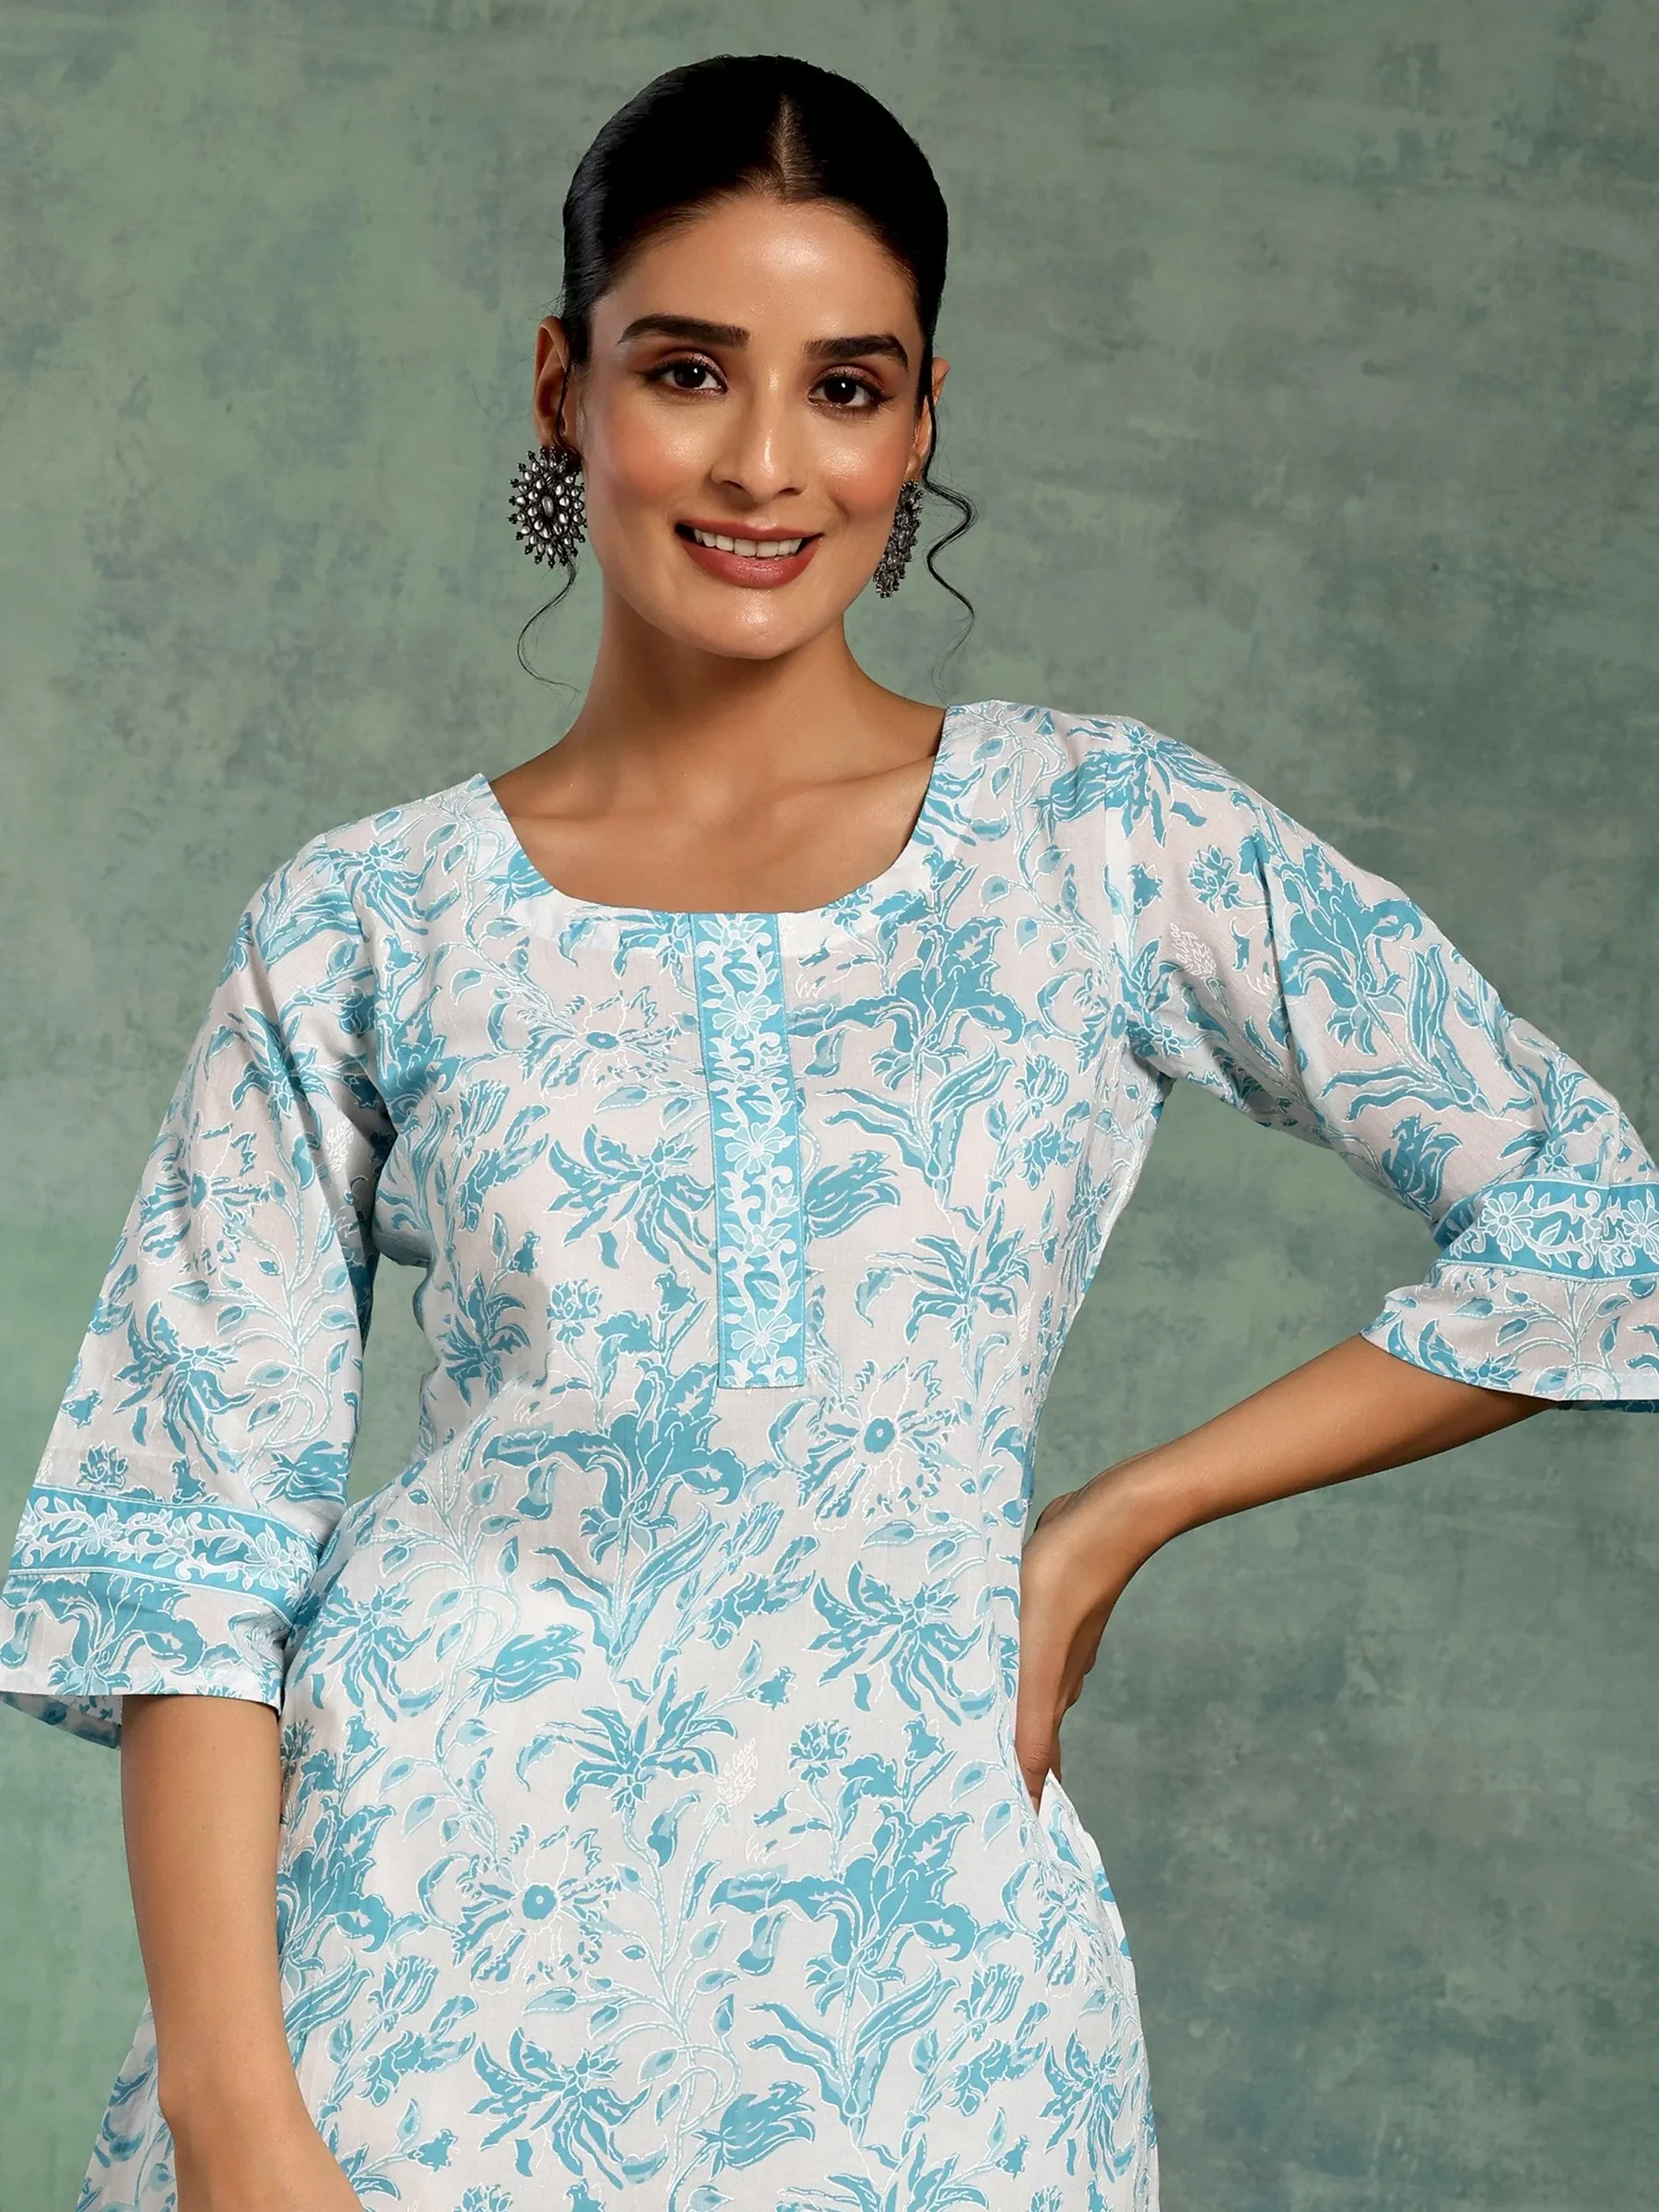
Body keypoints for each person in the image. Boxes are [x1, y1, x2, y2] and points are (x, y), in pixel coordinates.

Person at [1, 50, 1653, 2212]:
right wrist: (242, 2124)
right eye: (688, 370)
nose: (765, 463)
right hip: (410, 1979)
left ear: (923, 419)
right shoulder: (363, 920)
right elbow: (187, 1557)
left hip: (936, 2005)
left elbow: (1595, 1219)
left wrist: (1116, 1518)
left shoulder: (1102, 840)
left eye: (846, 388)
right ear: (563, 387)